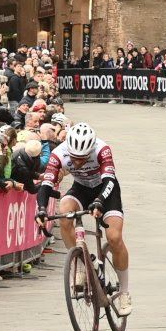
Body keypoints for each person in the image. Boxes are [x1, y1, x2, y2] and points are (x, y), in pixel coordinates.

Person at [36, 122, 133, 317]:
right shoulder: (59, 153)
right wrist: (41, 209)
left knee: (114, 238)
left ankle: (124, 292)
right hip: (80, 189)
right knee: (64, 210)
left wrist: (99, 201)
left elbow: (110, 181)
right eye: (74, 158)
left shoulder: (102, 149)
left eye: (82, 158)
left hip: (106, 191)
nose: (78, 162)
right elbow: (46, 183)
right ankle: (80, 265)